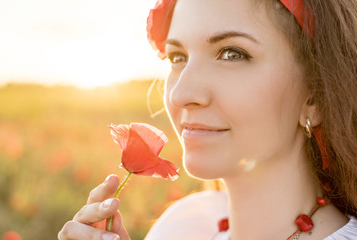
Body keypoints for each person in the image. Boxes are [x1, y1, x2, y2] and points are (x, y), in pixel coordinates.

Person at [58, 0, 357, 239]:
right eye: (177, 57)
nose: (180, 94)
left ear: (315, 96)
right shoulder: (182, 227)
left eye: (231, 54)